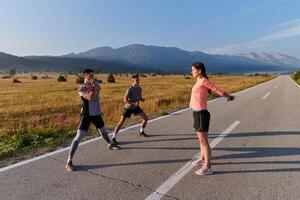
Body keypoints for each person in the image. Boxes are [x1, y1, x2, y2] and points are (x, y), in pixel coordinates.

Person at [65, 69, 120, 171]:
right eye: (90, 76)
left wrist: (94, 85)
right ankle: (69, 161)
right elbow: (90, 97)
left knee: (103, 130)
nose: (92, 78)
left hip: (96, 113)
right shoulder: (81, 88)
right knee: (78, 137)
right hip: (87, 115)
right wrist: (93, 88)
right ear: (85, 76)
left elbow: (99, 87)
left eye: (93, 76)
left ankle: (110, 144)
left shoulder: (95, 84)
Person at [190, 62, 234, 175]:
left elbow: (215, 89)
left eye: (193, 70)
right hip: (196, 113)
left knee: (204, 141)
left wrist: (228, 96)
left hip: (201, 114)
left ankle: (208, 167)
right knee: (201, 140)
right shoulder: (198, 81)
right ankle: (202, 158)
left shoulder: (204, 80)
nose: (191, 72)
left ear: (199, 71)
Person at [111, 74, 149, 145]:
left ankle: (141, 131)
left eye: (138, 80)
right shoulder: (130, 89)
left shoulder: (139, 89)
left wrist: (142, 99)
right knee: (121, 122)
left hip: (136, 107)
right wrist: (133, 103)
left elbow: (139, 97)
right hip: (128, 107)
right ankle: (113, 137)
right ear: (132, 81)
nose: (138, 81)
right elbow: (125, 100)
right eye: (136, 80)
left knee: (146, 119)